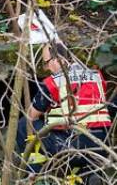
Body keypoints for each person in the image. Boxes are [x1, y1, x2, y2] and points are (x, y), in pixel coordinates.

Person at [16, 42, 117, 178]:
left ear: (57, 59)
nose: (46, 68)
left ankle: (34, 174)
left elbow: (31, 116)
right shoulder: (96, 75)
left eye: (46, 62)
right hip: (102, 147)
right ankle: (87, 174)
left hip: (72, 147)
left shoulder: (53, 82)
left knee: (23, 125)